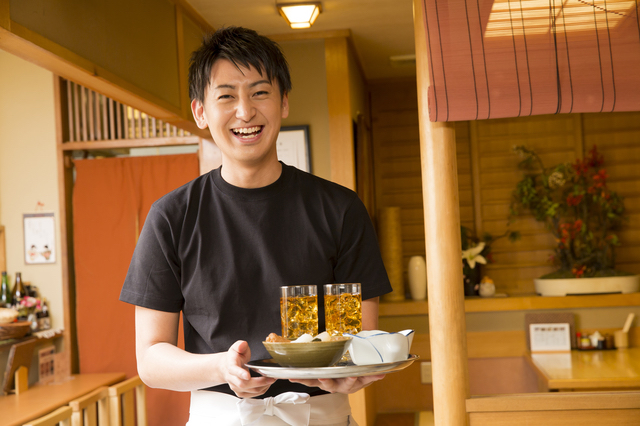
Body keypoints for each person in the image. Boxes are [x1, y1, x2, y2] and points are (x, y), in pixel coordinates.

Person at [120, 26, 392, 426]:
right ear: (200, 111)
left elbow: (361, 339)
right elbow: (151, 359)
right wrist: (222, 368)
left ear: (283, 102)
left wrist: (349, 372)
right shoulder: (171, 217)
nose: (245, 112)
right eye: (226, 96)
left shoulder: (340, 208)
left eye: (259, 92)